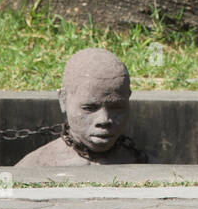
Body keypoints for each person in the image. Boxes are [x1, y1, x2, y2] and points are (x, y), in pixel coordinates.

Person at [16, 48, 148, 165]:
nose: (104, 120)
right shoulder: (35, 166)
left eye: (117, 107)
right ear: (63, 100)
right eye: (89, 108)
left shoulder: (145, 164)